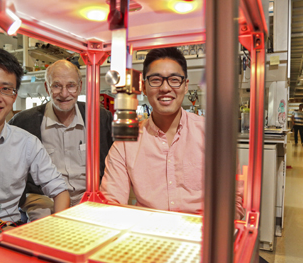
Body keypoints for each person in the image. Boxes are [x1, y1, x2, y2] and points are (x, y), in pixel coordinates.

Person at [100, 47, 244, 220]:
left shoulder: (215, 136)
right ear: (144, 87)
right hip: (148, 237)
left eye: (174, 80)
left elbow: (234, 199)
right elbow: (110, 204)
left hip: (202, 236)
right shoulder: (125, 144)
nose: (165, 88)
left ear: (185, 85)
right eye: (155, 80)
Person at [0, 47, 70, 223]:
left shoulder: (27, 143)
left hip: (5, 233)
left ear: (14, 96)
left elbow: (60, 190)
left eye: (6, 89)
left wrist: (57, 229)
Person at [9, 59, 113, 220]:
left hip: (88, 195)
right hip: (43, 198)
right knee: (44, 230)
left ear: (80, 87)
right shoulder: (23, 122)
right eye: (56, 86)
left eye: (71, 86)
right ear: (46, 87)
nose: (64, 94)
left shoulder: (100, 117)